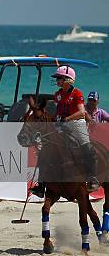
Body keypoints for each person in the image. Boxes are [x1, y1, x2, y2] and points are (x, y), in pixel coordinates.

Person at [31, 66, 99, 197]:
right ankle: (41, 185)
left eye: (59, 78)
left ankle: (92, 179)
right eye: (57, 78)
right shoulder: (57, 95)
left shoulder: (77, 94)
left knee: (87, 147)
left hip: (76, 124)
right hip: (61, 124)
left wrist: (66, 118)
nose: (57, 81)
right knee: (46, 148)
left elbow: (81, 112)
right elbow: (57, 112)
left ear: (68, 79)